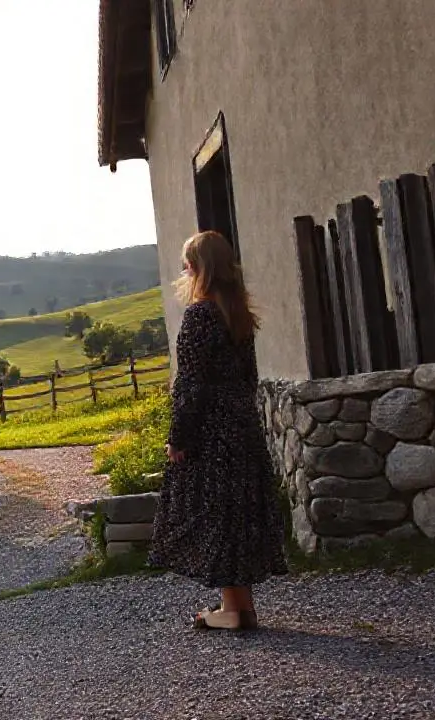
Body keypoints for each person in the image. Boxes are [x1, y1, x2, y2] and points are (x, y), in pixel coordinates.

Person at [149, 230, 288, 631]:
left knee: (213, 510)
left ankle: (233, 610)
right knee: (235, 510)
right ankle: (238, 606)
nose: (184, 269)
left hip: (210, 430)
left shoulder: (199, 315)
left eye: (187, 263)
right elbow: (249, 379)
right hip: (240, 426)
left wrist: (180, 437)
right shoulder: (240, 315)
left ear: (197, 268)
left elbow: (190, 384)